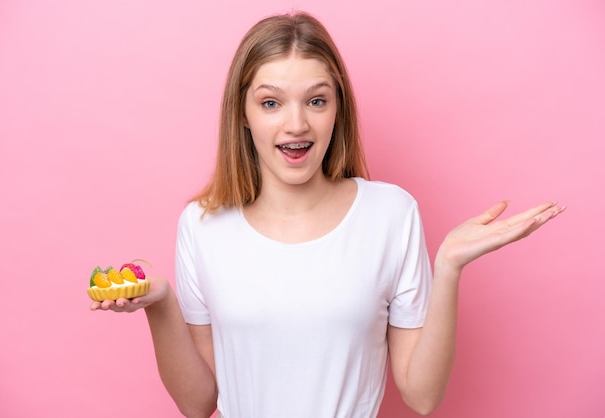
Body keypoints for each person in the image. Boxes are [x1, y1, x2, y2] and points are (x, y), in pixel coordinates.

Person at [90, 11, 565, 418]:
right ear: (243, 113)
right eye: (271, 103)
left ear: (338, 108)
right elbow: (198, 403)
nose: (296, 124)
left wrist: (449, 268)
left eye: (316, 100)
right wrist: (161, 305)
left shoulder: (391, 213)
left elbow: (421, 397)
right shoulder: (201, 224)